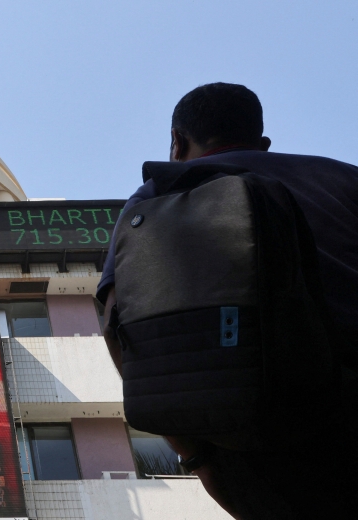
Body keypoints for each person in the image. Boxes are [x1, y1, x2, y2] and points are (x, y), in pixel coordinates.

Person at [97, 83, 358, 519]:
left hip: (260, 441)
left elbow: (120, 329)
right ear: (263, 144)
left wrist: (197, 459)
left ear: (177, 142)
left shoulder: (160, 193)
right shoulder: (345, 178)